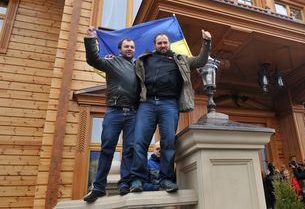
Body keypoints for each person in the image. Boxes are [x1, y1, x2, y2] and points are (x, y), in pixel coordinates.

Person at [130, 30, 212, 193]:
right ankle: (137, 179)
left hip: (169, 104)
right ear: (155, 45)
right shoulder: (144, 59)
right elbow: (128, 70)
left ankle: (166, 180)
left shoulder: (180, 59)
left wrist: (207, 42)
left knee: (168, 142)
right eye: (159, 43)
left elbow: (201, 61)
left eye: (165, 43)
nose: (162, 45)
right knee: (139, 141)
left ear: (169, 44)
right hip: (147, 103)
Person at [83, 27, 139, 202]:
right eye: (126, 46)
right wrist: (92, 39)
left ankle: (125, 184)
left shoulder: (139, 66)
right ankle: (98, 187)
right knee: (107, 149)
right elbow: (93, 59)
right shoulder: (112, 62)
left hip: (133, 114)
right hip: (114, 112)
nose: (129, 49)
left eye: (132, 47)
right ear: (120, 49)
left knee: (129, 149)